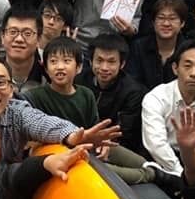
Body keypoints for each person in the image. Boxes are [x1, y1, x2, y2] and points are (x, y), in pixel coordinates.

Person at [25, 36, 153, 184]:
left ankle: (156, 171)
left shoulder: (86, 94)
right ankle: (150, 176)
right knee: (119, 172)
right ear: (46, 68)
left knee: (142, 162)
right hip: (64, 155)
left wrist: (102, 141)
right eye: (53, 61)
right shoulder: (33, 97)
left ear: (79, 67)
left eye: (66, 61)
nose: (60, 67)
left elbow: (94, 128)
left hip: (90, 146)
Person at [141, 40, 195, 176]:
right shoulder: (156, 97)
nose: (193, 73)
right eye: (187, 66)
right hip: (162, 161)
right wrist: (183, 176)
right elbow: (156, 144)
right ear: (175, 68)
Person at [78, 33, 147, 154]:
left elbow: (125, 132)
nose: (104, 67)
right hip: (80, 139)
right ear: (91, 61)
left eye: (111, 62)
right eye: (99, 60)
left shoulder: (133, 92)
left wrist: (104, 143)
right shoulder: (78, 81)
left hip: (115, 146)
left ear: (122, 64)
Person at [127, 0, 187, 90]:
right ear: (153, 22)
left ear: (182, 23)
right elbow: (132, 83)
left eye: (172, 18)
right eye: (161, 18)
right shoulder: (138, 47)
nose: (166, 23)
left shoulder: (189, 50)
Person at [0, 6, 47, 94]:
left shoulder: (49, 72)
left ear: (39, 39)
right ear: (2, 37)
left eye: (27, 33)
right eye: (13, 32)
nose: (19, 39)